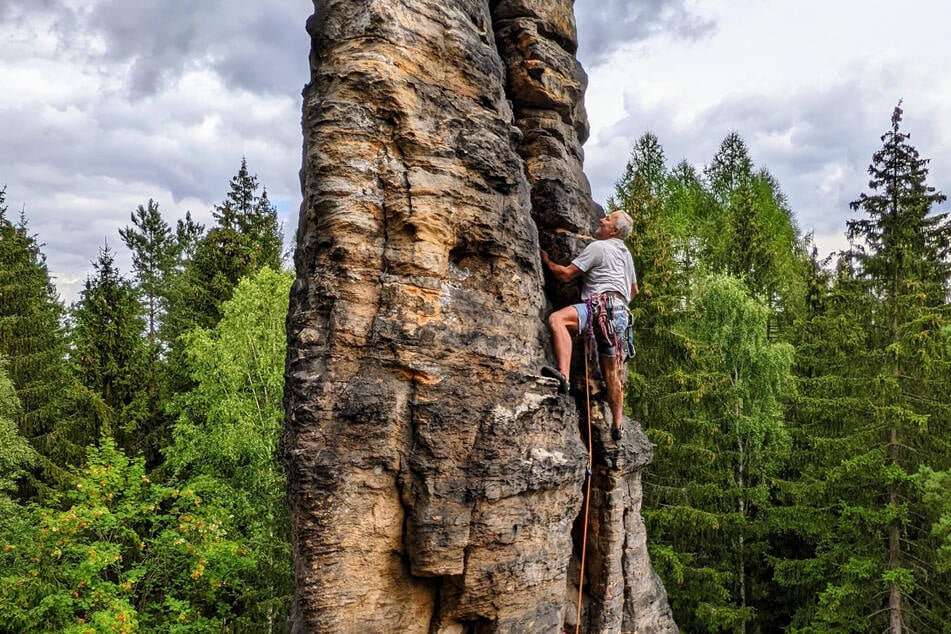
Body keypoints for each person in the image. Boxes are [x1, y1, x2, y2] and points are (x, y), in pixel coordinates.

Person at [540, 210, 638, 440]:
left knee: (558, 320)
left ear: (614, 230)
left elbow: (565, 275)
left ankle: (563, 375)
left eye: (607, 219)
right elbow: (634, 290)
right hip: (620, 314)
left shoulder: (598, 247)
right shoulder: (626, 255)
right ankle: (617, 424)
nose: (602, 220)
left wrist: (545, 260)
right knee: (612, 374)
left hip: (599, 308)